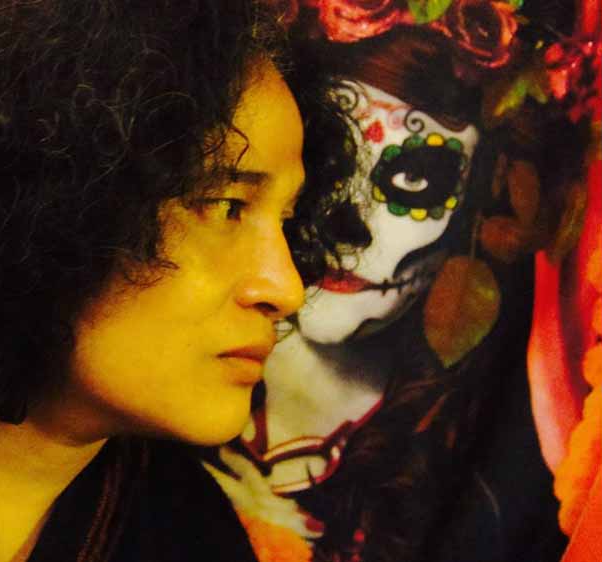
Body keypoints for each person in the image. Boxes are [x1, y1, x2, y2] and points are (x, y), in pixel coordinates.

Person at [0, 1, 342, 560]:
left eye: (286, 223)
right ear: (46, 197)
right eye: (226, 205)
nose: (285, 288)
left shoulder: (195, 534)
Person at [205, 1, 586, 561]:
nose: (347, 223)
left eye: (413, 177)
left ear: (479, 205)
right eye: (326, 156)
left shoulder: (480, 488)